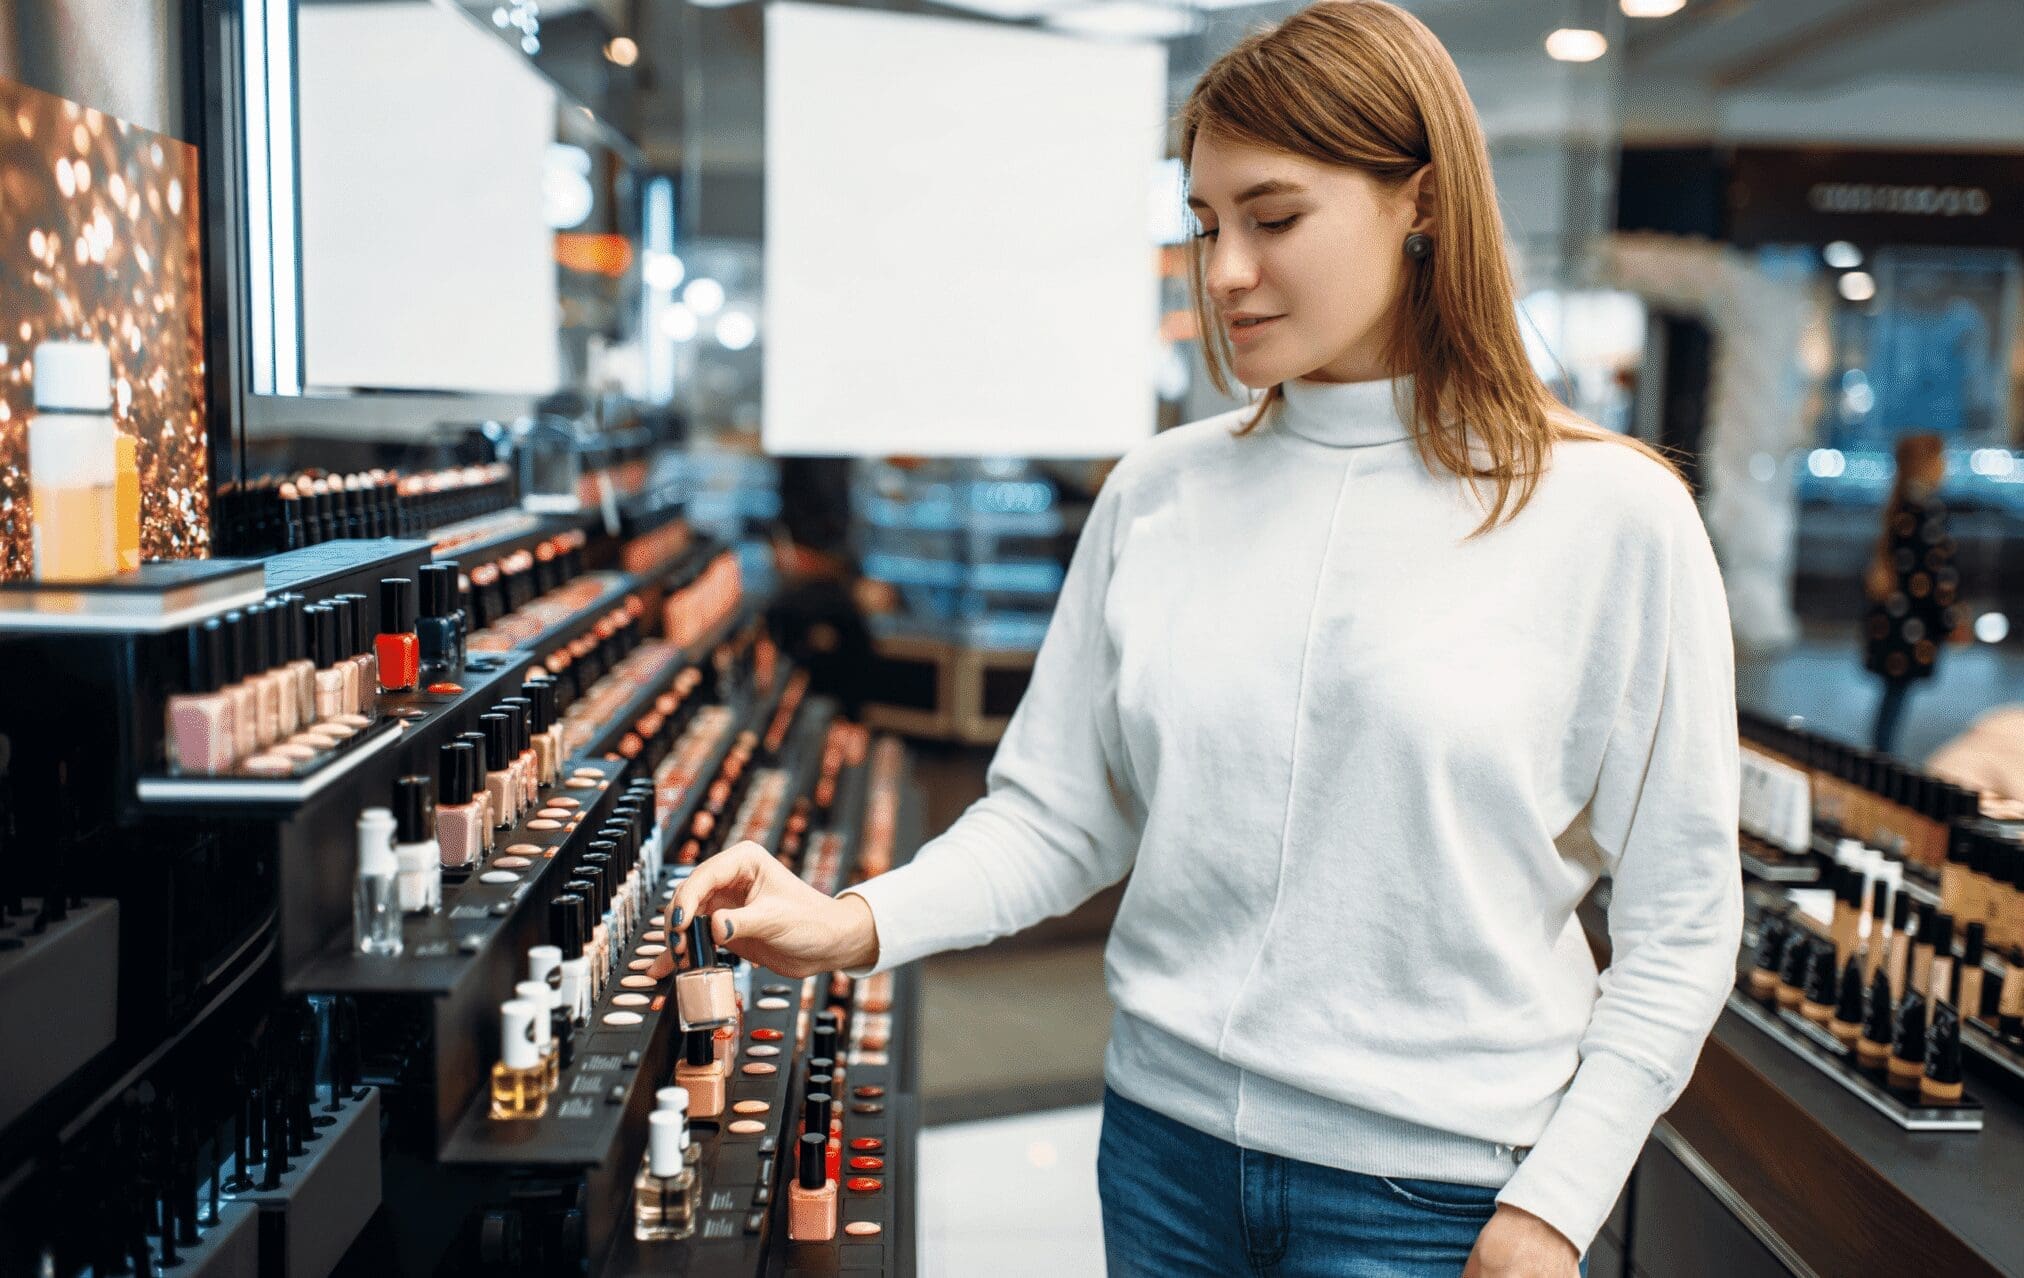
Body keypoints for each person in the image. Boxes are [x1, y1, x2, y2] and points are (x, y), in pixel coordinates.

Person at [651, 4, 1740, 1274]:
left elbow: (1677, 920)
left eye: (1272, 219)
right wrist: (853, 921)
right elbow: (1060, 816)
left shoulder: (1606, 514)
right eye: (1204, 223)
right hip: (1160, 1155)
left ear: (1423, 204)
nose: (1223, 271)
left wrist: (1556, 1204)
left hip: (1433, 1195)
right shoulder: (1158, 493)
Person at [1862, 433, 1960, 756]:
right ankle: (1881, 765)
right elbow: (1930, 578)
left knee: (1893, 699)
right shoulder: (1921, 515)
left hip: (1898, 629)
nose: (1945, 467)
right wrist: (1948, 621)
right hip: (1907, 631)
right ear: (1925, 465)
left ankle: (1881, 760)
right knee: (1894, 700)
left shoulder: (1904, 510)